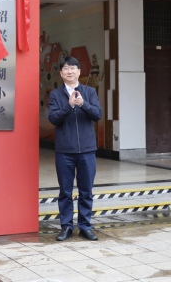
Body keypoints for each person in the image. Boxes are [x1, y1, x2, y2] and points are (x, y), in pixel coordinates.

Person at [48, 56, 103, 242]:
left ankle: (85, 226)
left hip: (87, 150)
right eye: (65, 68)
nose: (69, 71)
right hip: (65, 150)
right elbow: (53, 118)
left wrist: (82, 104)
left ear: (79, 71)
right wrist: (69, 105)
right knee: (65, 191)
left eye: (73, 68)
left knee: (86, 191)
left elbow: (98, 114)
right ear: (61, 73)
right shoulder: (55, 95)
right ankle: (66, 227)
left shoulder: (89, 92)